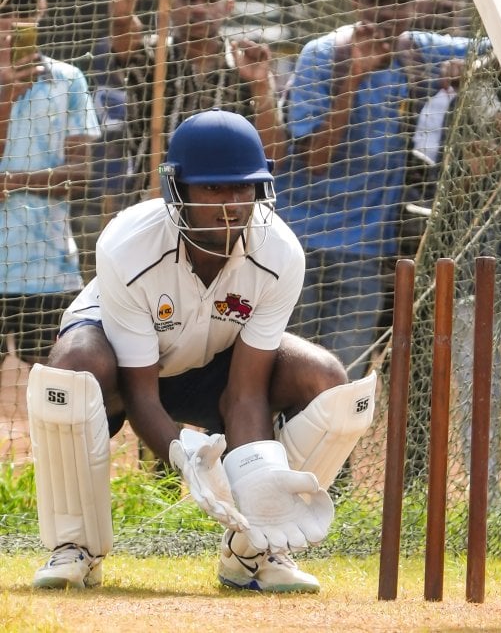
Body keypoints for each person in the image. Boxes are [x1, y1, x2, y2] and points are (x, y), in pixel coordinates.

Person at [26, 110, 376, 592]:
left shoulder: (281, 253)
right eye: (213, 188)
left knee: (325, 381)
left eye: (243, 188)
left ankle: (254, 551)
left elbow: (245, 393)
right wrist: (185, 460)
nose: (231, 205)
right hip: (122, 366)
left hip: (212, 364)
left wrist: (256, 476)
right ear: (177, 189)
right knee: (72, 369)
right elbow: (141, 393)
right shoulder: (127, 245)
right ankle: (74, 548)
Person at [275, 0, 474, 379]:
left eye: (400, 8)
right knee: (288, 374)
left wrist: (473, 68)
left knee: (343, 379)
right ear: (357, 3)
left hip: (366, 248)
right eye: (378, 8)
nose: (388, 21)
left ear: (416, 5)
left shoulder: (417, 50)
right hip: (300, 241)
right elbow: (315, 159)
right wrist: (353, 78)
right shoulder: (322, 55)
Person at [109, 0, 285, 192]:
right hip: (152, 202)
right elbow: (121, 17)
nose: (199, 9)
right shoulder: (150, 58)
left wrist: (260, 86)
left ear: (228, 6)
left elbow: (273, 156)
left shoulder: (244, 67)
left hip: (224, 209)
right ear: (168, 3)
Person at [0, 0, 101, 365]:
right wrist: (7, 93)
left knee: (54, 383)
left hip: (47, 269)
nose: (12, 21)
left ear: (41, 8)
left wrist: (11, 181)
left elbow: (79, 177)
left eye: (23, 8)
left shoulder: (67, 80)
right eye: (5, 9)